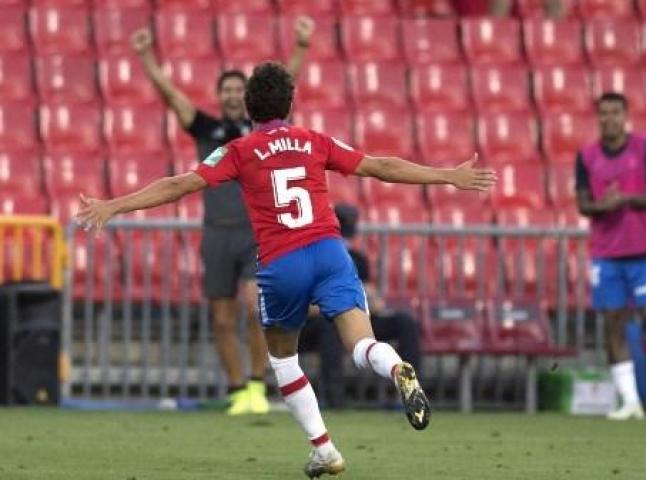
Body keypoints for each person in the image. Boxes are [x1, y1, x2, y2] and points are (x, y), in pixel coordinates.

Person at [76, 61, 497, 478]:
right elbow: (380, 166)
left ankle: (326, 450)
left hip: (282, 263)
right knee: (361, 345)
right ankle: (395, 367)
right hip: (331, 253)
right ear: (290, 104)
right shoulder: (313, 140)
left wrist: (115, 205)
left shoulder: (239, 150)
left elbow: (179, 184)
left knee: (284, 361)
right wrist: (449, 176)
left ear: (249, 107)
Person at [129, 18, 314, 416]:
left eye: (238, 90)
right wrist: (145, 55)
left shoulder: (257, 129)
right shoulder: (206, 128)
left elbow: (286, 82)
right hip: (215, 234)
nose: (232, 95)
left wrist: (300, 46)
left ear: (246, 96)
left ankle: (255, 385)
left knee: (253, 307)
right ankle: (236, 392)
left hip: (253, 233)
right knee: (222, 318)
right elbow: (170, 94)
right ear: (218, 96)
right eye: (226, 90)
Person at [575, 92, 646, 421]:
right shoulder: (587, 156)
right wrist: (601, 206)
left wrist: (625, 200)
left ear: (625, 115)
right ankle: (630, 402)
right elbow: (583, 204)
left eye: (615, 112)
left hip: (644, 251)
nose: (608, 119)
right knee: (613, 325)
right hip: (606, 254)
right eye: (603, 113)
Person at [299, 203, 423, 409]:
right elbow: (304, 304)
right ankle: (335, 398)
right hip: (321, 321)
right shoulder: (311, 258)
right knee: (329, 327)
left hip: (356, 315)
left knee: (405, 322)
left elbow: (374, 300)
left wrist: (361, 301)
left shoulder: (357, 259)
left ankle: (409, 392)